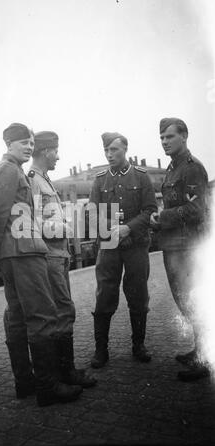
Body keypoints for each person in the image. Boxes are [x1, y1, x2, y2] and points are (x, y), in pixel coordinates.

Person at [0, 123, 82, 406]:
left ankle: (25, 383)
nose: (28, 147)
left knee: (18, 317)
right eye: (23, 142)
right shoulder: (9, 170)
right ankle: (48, 387)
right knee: (42, 316)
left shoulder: (10, 169)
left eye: (31, 142)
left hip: (14, 252)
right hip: (24, 252)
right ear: (9, 144)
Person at [27, 130, 96, 388]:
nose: (58, 156)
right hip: (50, 256)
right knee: (63, 311)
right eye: (55, 151)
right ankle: (64, 373)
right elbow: (32, 224)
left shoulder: (44, 179)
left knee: (62, 311)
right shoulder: (34, 181)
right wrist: (66, 229)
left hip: (59, 255)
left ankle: (65, 371)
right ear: (46, 151)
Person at [89, 132, 157, 368]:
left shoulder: (141, 177)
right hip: (109, 245)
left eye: (114, 150)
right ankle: (101, 350)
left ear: (125, 149)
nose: (109, 155)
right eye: (106, 150)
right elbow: (93, 212)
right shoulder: (99, 180)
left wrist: (128, 228)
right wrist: (113, 230)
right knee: (105, 295)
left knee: (138, 294)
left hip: (136, 243)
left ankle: (139, 345)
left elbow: (150, 210)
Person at [150, 117, 209, 382]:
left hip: (188, 246)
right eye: (161, 137)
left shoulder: (191, 168)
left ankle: (204, 359)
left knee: (194, 300)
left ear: (184, 136)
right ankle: (199, 349)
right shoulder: (173, 169)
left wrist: (161, 218)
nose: (164, 141)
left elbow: (196, 210)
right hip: (174, 245)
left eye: (169, 136)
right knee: (184, 300)